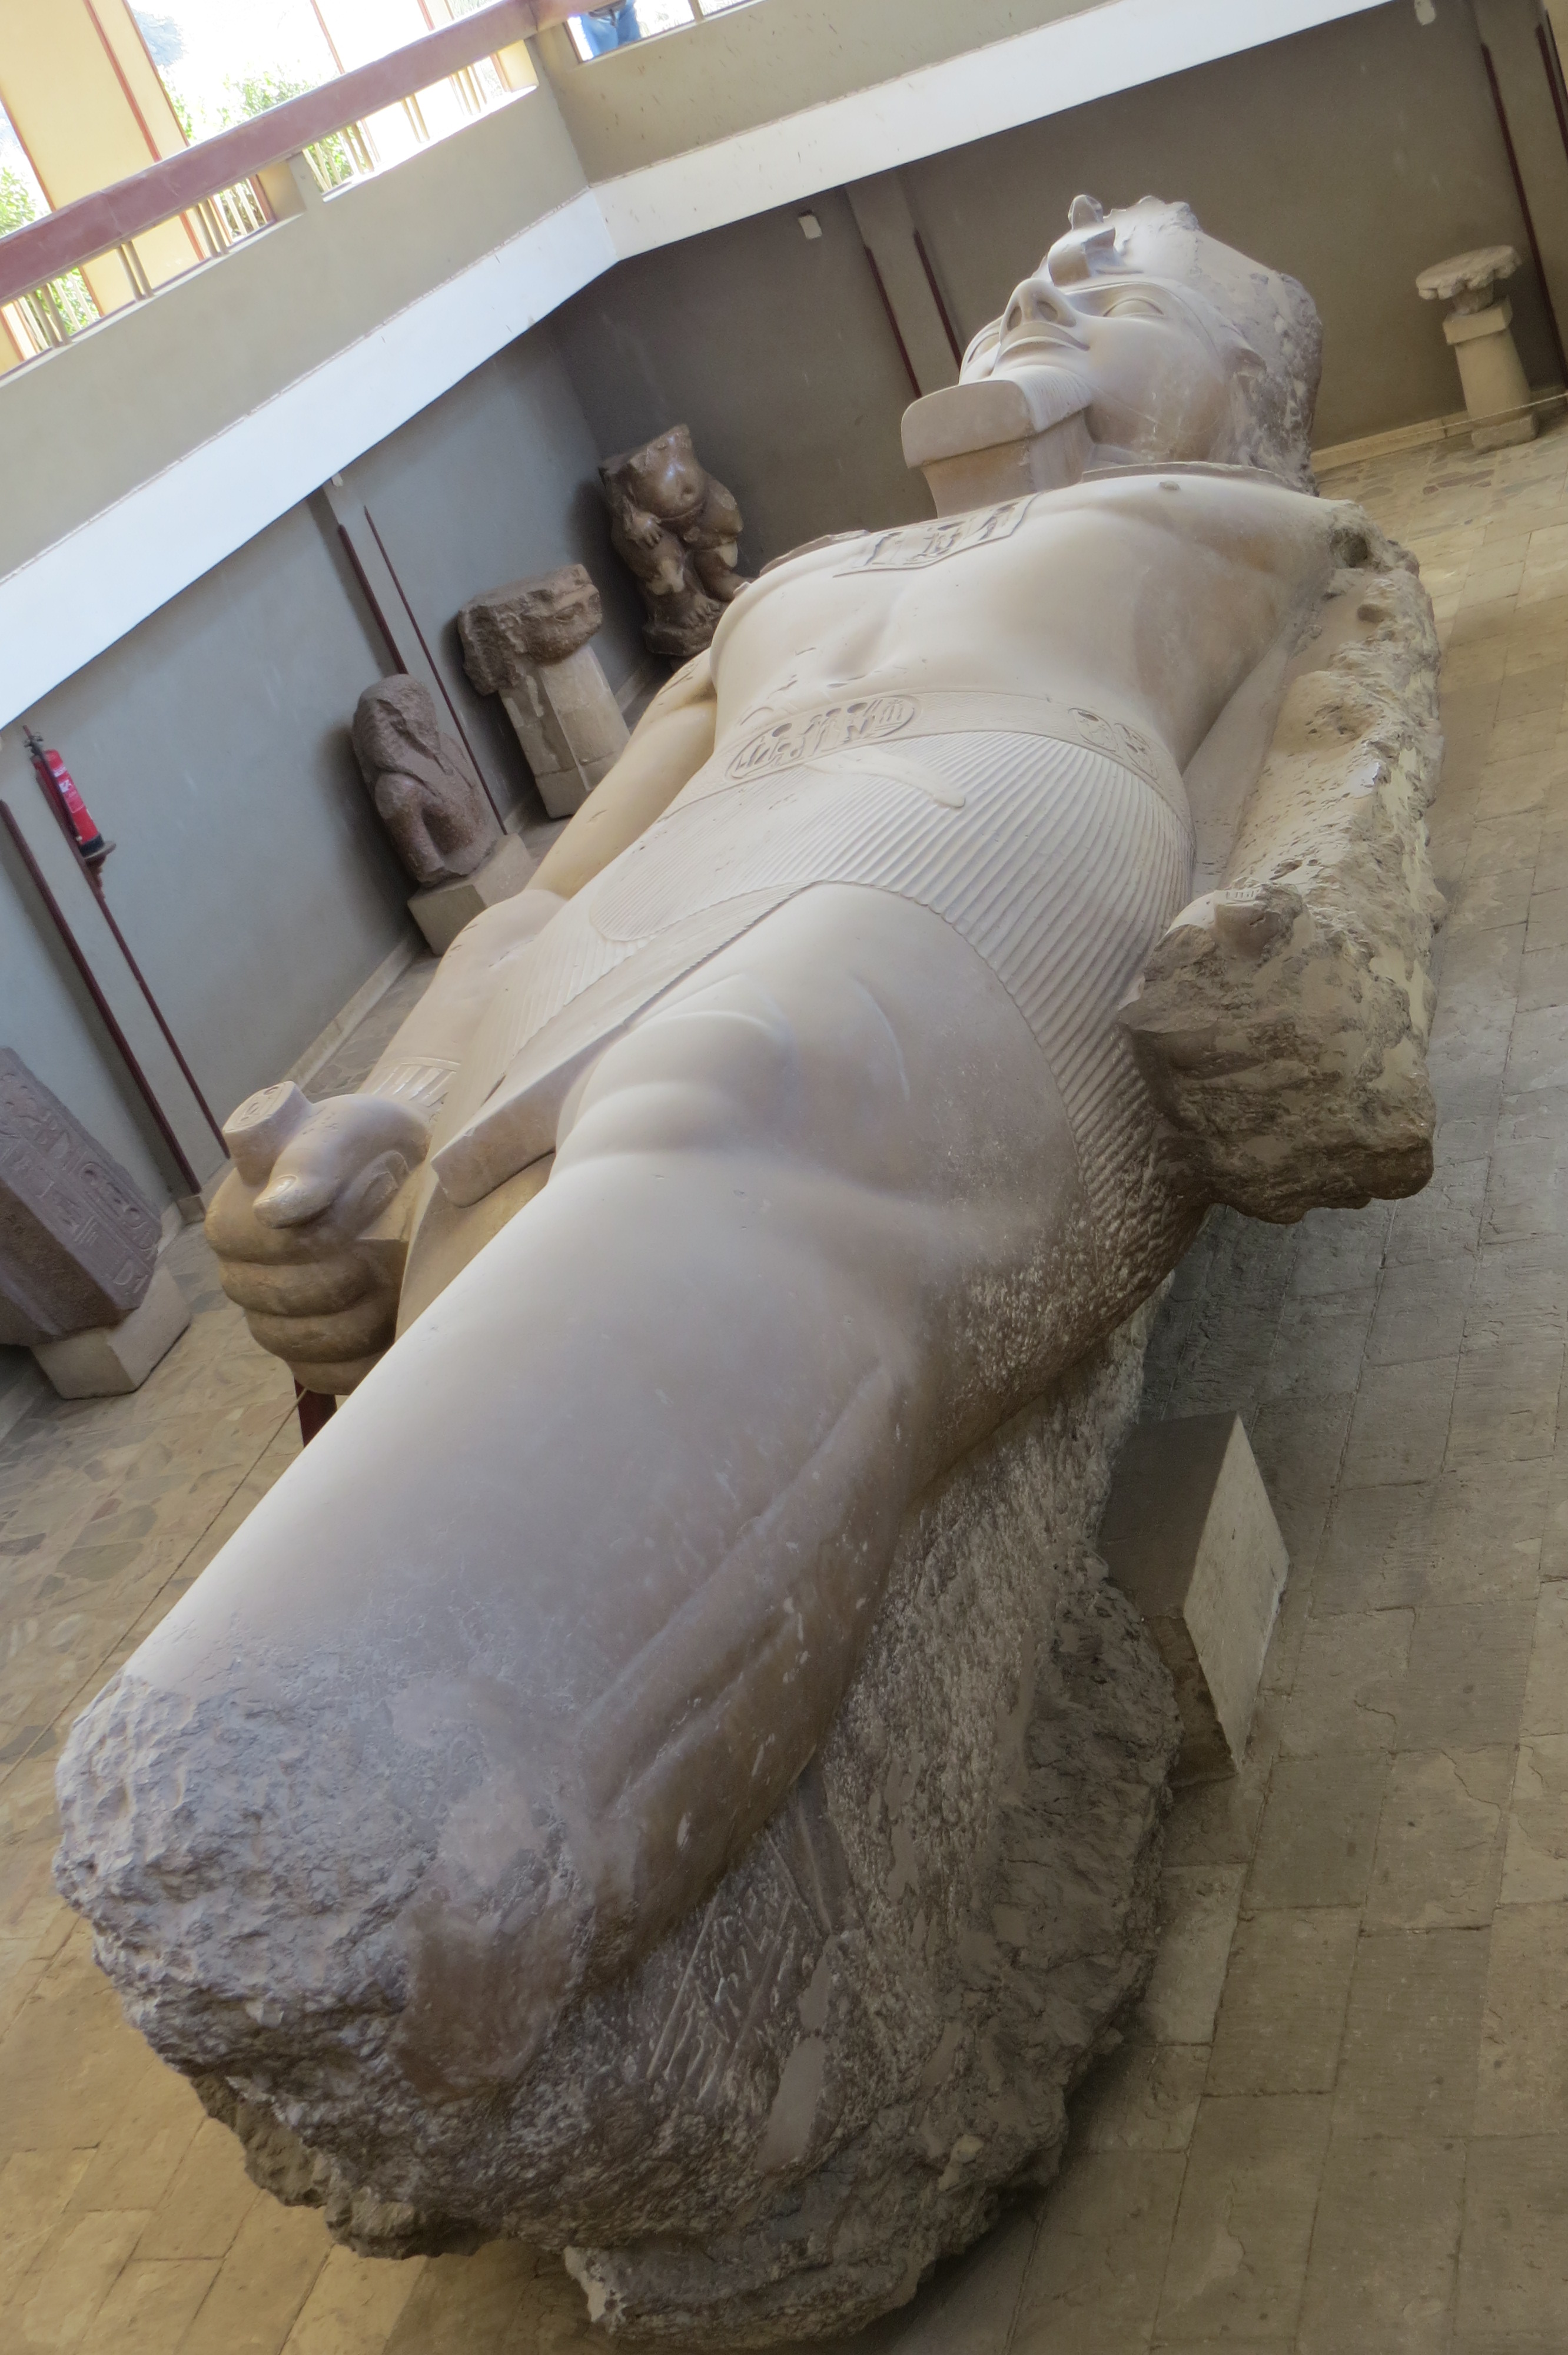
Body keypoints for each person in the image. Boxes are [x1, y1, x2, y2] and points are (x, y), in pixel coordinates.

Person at [61, 199, 1440, 2110]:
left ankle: (427, 1835)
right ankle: (353, 1846)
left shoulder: (1273, 534)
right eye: (1030, 280)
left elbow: (1347, 761)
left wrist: (1286, 961)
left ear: (1252, 394)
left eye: (1121, 286)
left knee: (752, 1096)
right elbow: (546, 901)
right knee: (499, 1220)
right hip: (696, 879)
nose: (1044, 286)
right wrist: (399, 1119)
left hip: (988, 819)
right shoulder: (797, 581)